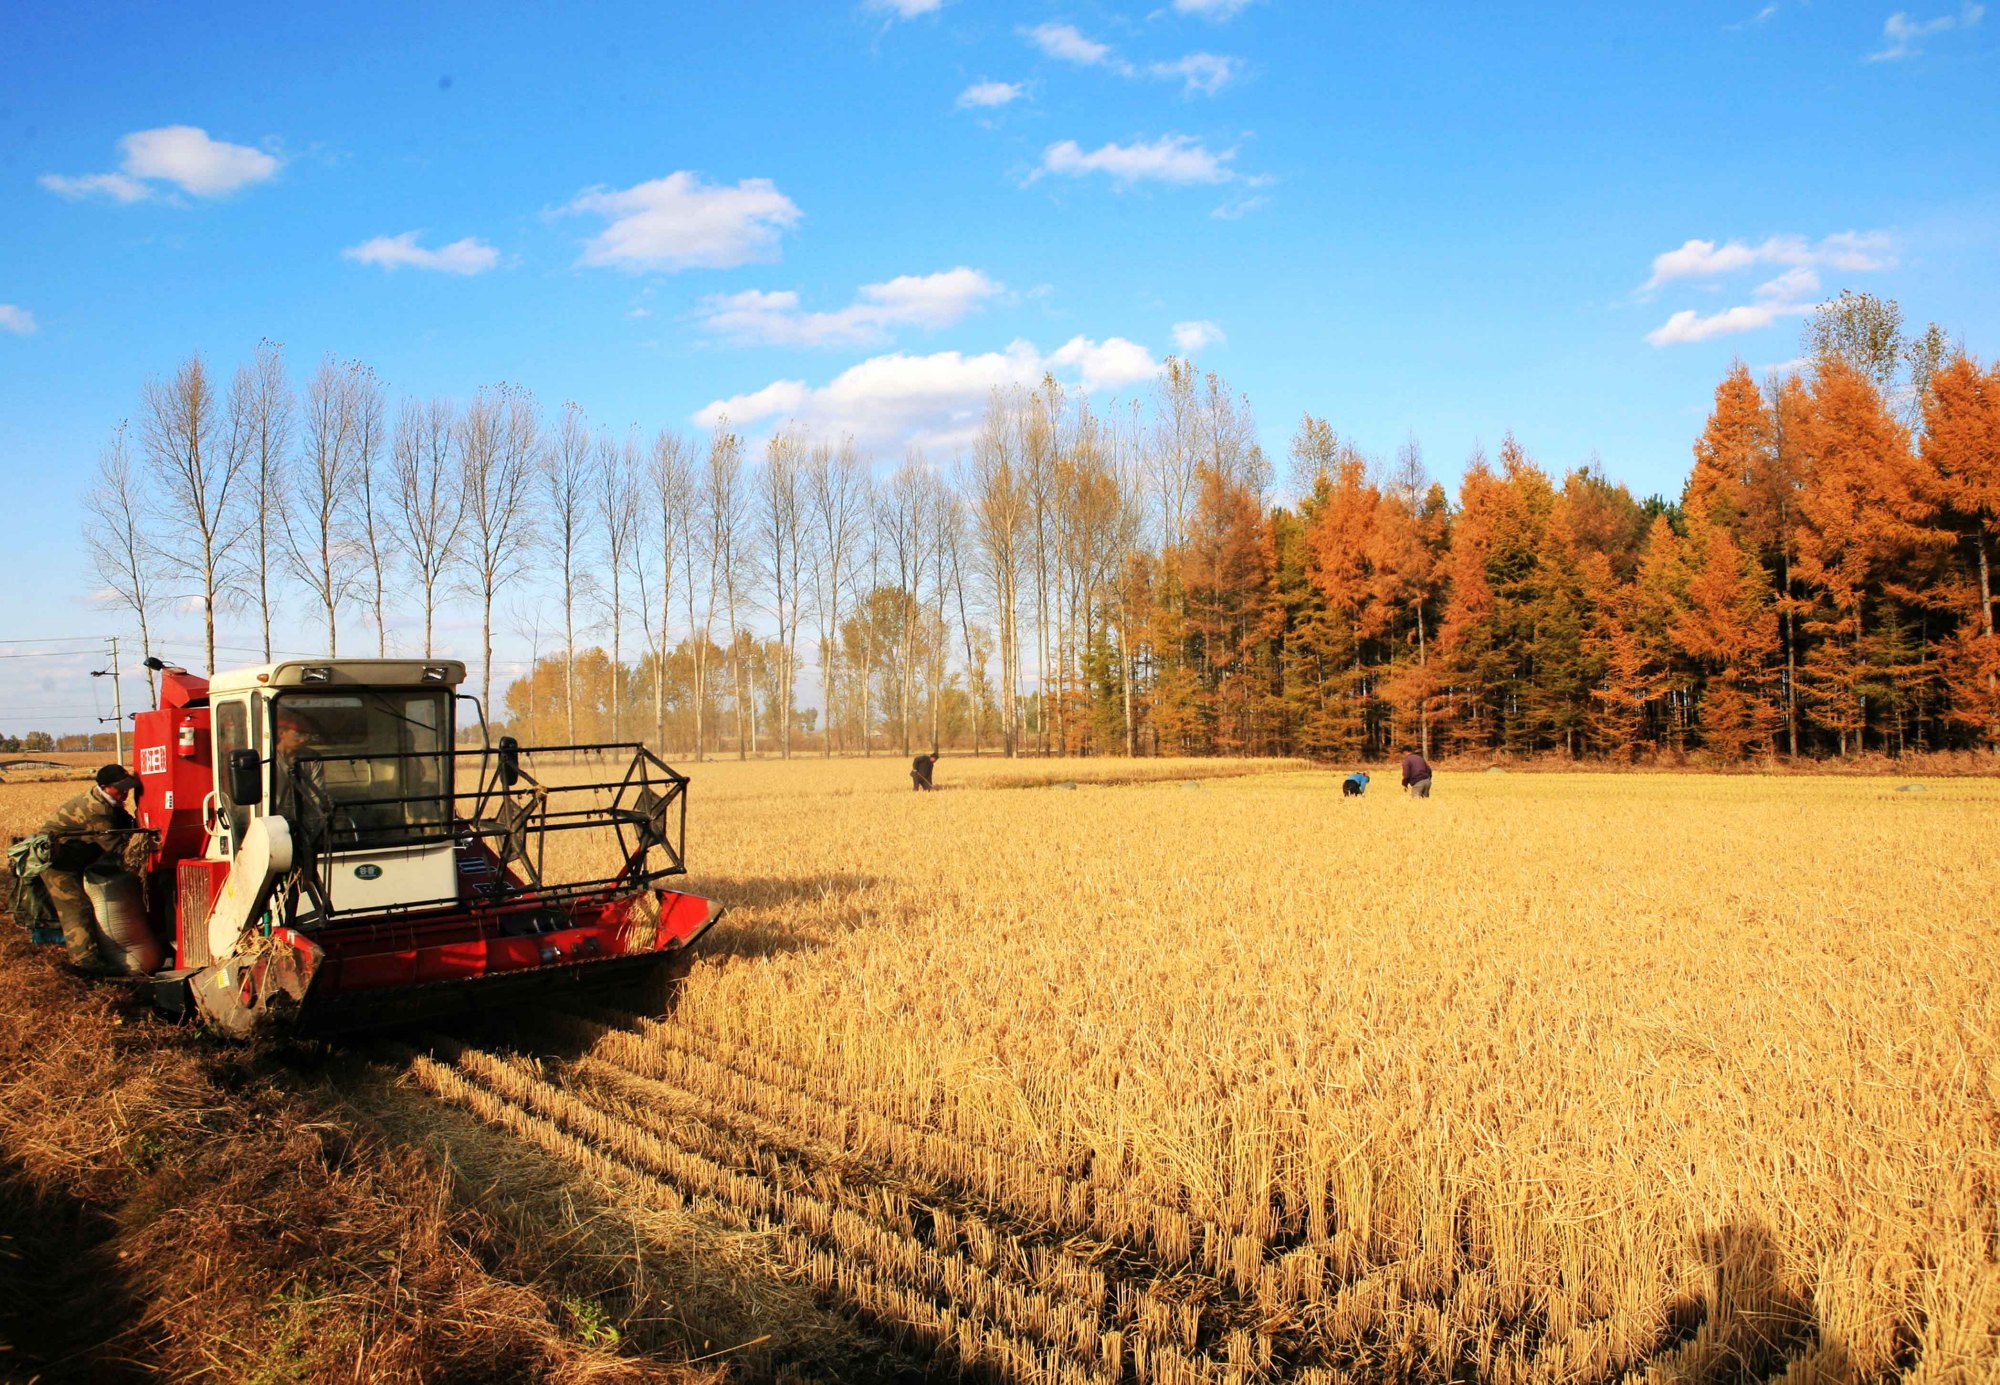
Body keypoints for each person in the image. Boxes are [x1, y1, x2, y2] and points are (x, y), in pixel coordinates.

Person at [35, 764, 148, 972]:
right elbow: (116, 847)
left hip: (77, 858)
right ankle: (86, 962)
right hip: (58, 863)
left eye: (128, 787)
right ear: (104, 787)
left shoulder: (110, 802)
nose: (126, 791)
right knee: (76, 906)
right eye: (120, 787)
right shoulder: (97, 810)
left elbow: (126, 827)